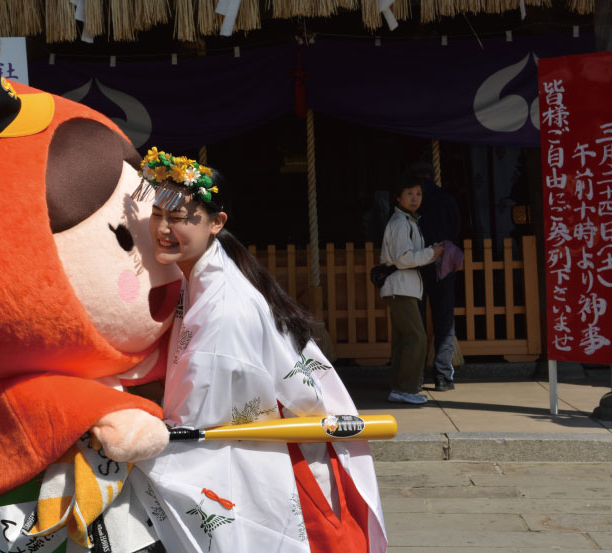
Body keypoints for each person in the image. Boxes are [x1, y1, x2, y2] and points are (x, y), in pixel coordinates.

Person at [129, 150, 387, 553]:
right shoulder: (204, 276)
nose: (164, 227)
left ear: (217, 223)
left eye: (179, 217)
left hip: (272, 451)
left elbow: (201, 417)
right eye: (159, 213)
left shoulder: (225, 306)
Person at [380, 175, 444, 405]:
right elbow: (402, 259)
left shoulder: (409, 221)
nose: (415, 198)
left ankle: (399, 387)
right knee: (417, 338)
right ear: (398, 197)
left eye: (418, 194)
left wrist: (429, 251)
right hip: (401, 287)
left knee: (404, 340)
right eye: (409, 194)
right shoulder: (400, 223)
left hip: (403, 288)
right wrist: (432, 253)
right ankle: (405, 388)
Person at [410, 162, 461, 391]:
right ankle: (442, 377)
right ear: (433, 176)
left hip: (416, 266)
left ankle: (417, 375)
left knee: (417, 324)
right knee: (444, 320)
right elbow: (458, 228)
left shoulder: (411, 202)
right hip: (443, 264)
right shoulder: (447, 199)